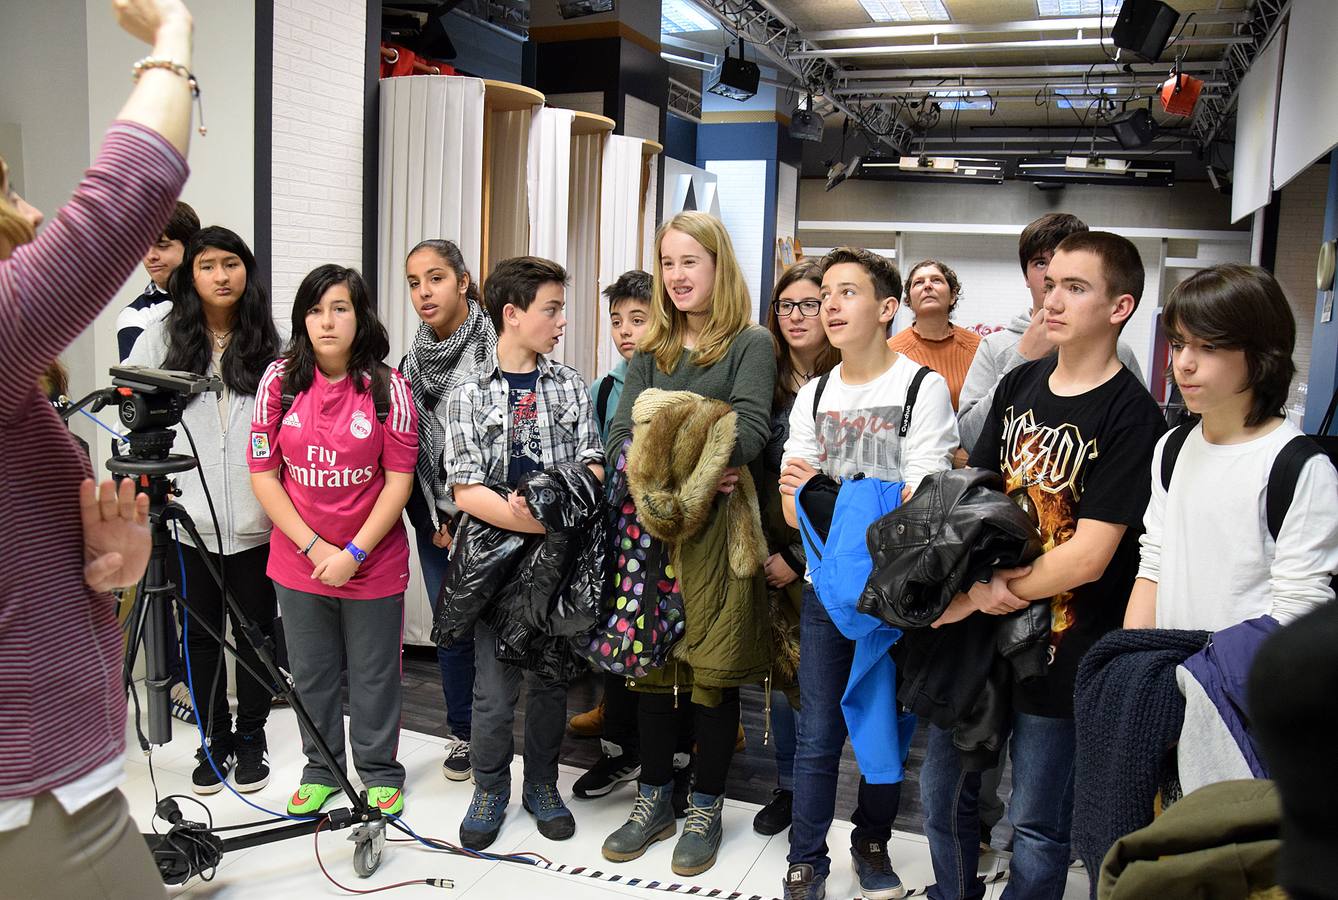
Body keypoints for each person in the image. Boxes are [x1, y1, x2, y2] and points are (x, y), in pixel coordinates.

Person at [0, 1, 194, 896]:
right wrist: (173, 38)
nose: (30, 208)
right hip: (30, 793)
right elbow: (119, 205)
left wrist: (100, 575)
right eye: (5, 192)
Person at [920, 232, 1166, 900]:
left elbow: (1090, 555)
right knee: (944, 794)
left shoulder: (1133, 415)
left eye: (1075, 288)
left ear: (1120, 307)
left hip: (1065, 645)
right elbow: (986, 492)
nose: (1052, 299)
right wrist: (972, 584)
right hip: (983, 638)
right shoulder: (1022, 381)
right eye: (1050, 283)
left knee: (1037, 822)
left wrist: (996, 590)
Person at [600, 211, 777, 877]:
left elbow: (751, 433)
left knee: (710, 674)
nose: (676, 276)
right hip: (650, 531)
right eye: (667, 263)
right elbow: (622, 436)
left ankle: (704, 805)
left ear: (718, 266)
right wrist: (698, 441)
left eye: (689, 262)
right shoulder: (651, 348)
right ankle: (653, 800)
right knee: (650, 669)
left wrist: (666, 431)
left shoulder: (749, 344)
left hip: (720, 538)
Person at [778, 248, 958, 899]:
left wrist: (832, 489)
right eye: (824, 292)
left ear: (886, 309)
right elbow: (791, 504)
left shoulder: (920, 388)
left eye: (846, 292)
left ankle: (872, 840)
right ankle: (806, 858)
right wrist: (862, 494)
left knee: (886, 730)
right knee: (818, 733)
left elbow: (925, 506)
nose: (828, 303)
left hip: (894, 595)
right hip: (826, 593)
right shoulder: (815, 393)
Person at [444, 256, 604, 850]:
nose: (561, 320)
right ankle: (490, 787)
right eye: (552, 309)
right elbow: (464, 488)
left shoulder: (570, 385)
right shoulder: (466, 393)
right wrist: (533, 517)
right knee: (493, 687)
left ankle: (541, 784)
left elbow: (592, 465)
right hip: (491, 561)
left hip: (558, 561)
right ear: (512, 315)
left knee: (550, 682)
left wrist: (545, 518)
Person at [249, 265, 418, 818]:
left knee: (374, 677)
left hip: (372, 560)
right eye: (316, 309)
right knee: (314, 674)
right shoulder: (278, 381)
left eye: (340, 308)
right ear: (302, 318)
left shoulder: (390, 388)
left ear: (360, 315)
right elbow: (264, 474)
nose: (327, 320)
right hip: (300, 563)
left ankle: (378, 772)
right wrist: (316, 549)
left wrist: (353, 553)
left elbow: (398, 481)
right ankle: (321, 768)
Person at [126, 226, 281, 794]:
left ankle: (252, 736)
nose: (221, 276)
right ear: (190, 274)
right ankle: (214, 736)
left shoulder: (273, 342)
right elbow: (133, 421)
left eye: (232, 264)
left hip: (261, 520)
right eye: (208, 265)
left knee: (258, 632)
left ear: (246, 270)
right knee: (199, 633)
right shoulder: (160, 337)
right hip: (189, 523)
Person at [1124, 265, 1338, 631]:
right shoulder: (1172, 448)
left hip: (1244, 683)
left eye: (1209, 346)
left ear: (1261, 354)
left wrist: (1205, 678)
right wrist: (1131, 662)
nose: (1184, 364)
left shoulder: (1299, 467)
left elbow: (1297, 612)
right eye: (1178, 345)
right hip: (1169, 669)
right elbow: (1154, 566)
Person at [399, 239, 496, 783]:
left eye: (435, 278)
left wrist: (471, 517)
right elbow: (406, 452)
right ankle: (463, 733)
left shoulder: (495, 348)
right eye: (414, 283)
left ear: (462, 281)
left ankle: (495, 732)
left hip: (493, 517)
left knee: (498, 629)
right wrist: (430, 523)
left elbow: (505, 442)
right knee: (452, 629)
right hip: (437, 523)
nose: (424, 293)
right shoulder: (411, 363)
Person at [751, 259, 839, 839]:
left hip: (831, 553)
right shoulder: (765, 376)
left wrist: (802, 559)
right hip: (767, 546)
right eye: (787, 306)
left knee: (822, 685)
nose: (798, 316)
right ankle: (789, 787)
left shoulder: (849, 377)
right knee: (785, 681)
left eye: (811, 304)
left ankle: (829, 796)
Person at [568, 268, 655, 800]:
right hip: (619, 537)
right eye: (617, 321)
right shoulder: (605, 387)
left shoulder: (677, 378)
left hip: (670, 540)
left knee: (666, 651)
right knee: (618, 642)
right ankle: (619, 750)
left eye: (638, 320)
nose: (625, 331)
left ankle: (670, 756)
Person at [958, 213, 1144, 454]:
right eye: (1039, 263)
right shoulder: (995, 347)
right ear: (1026, 275)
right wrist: (1023, 358)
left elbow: (1133, 436)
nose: (1051, 273)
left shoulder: (1117, 353)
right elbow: (971, 440)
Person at [886, 258, 981, 411]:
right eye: (918, 282)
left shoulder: (979, 348)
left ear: (952, 296)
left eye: (936, 280)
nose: (927, 286)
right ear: (909, 301)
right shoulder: (890, 351)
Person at [116, 199, 199, 359]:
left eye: (162, 246)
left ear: (191, 246)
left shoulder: (216, 299)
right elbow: (137, 381)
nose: (150, 256)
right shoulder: (136, 314)